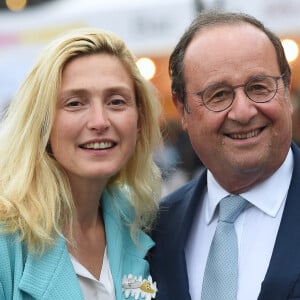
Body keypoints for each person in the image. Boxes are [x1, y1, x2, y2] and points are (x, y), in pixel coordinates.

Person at [0, 28, 162, 300]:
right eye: (75, 103)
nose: (99, 121)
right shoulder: (6, 238)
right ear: (42, 123)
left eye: (116, 101)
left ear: (139, 123)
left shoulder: (136, 221)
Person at [150, 10, 300, 300]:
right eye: (218, 95)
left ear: (285, 89)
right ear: (182, 110)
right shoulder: (158, 229)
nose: (243, 112)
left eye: (259, 88)